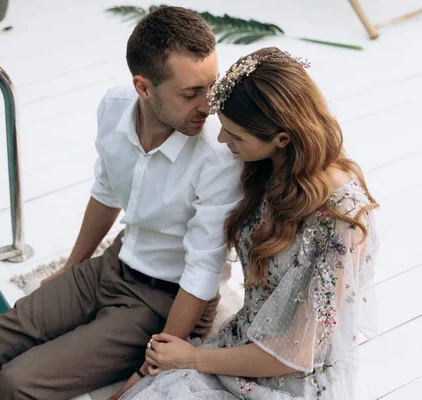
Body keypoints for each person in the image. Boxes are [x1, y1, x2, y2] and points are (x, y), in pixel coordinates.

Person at [0, 7, 243, 400]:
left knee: (17, 384)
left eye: (212, 85)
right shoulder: (114, 108)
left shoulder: (218, 154)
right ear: (144, 88)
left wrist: (156, 363)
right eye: (192, 92)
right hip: (113, 264)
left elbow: (202, 272)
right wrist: (73, 266)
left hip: (166, 300)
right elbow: (106, 191)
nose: (209, 104)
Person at [119, 47, 379, 400]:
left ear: (282, 138)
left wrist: (194, 358)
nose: (223, 142)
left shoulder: (342, 220)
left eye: (236, 136)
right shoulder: (265, 170)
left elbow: (299, 351)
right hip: (245, 339)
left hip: (291, 377)